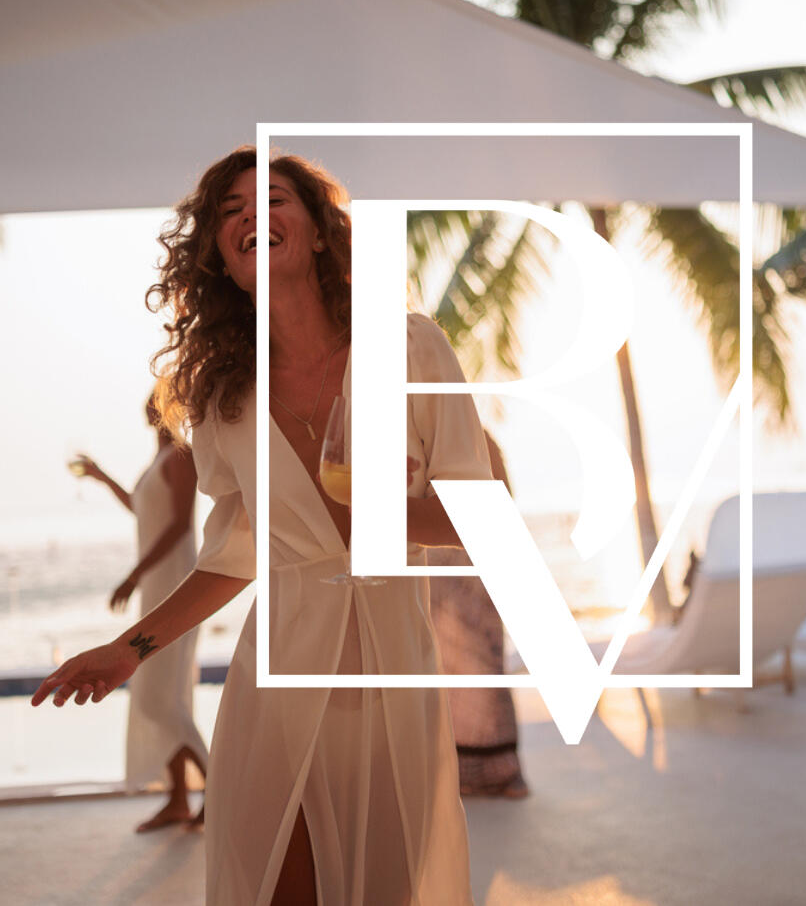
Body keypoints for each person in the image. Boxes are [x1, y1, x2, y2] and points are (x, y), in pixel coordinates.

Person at [34, 147, 491, 906]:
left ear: (319, 231)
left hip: (391, 674)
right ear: (220, 254)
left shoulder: (410, 347)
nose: (251, 216)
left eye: (273, 199)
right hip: (276, 678)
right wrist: (128, 649)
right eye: (230, 211)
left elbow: (481, 522)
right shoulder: (225, 399)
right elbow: (233, 556)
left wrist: (382, 508)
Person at [71, 394, 208, 831]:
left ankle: (216, 788)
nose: (149, 406)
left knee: (160, 699)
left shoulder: (182, 456)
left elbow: (179, 525)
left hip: (175, 585)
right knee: (160, 696)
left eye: (157, 400)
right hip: (157, 584)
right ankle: (179, 799)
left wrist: (133, 575)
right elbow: (140, 507)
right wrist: (100, 476)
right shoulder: (160, 459)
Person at [429, 433, 529, 799]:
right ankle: (452, 770)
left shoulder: (477, 436)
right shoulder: (421, 437)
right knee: (441, 673)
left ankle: (501, 770)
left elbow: (503, 503)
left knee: (484, 671)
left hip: (472, 568)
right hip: (435, 570)